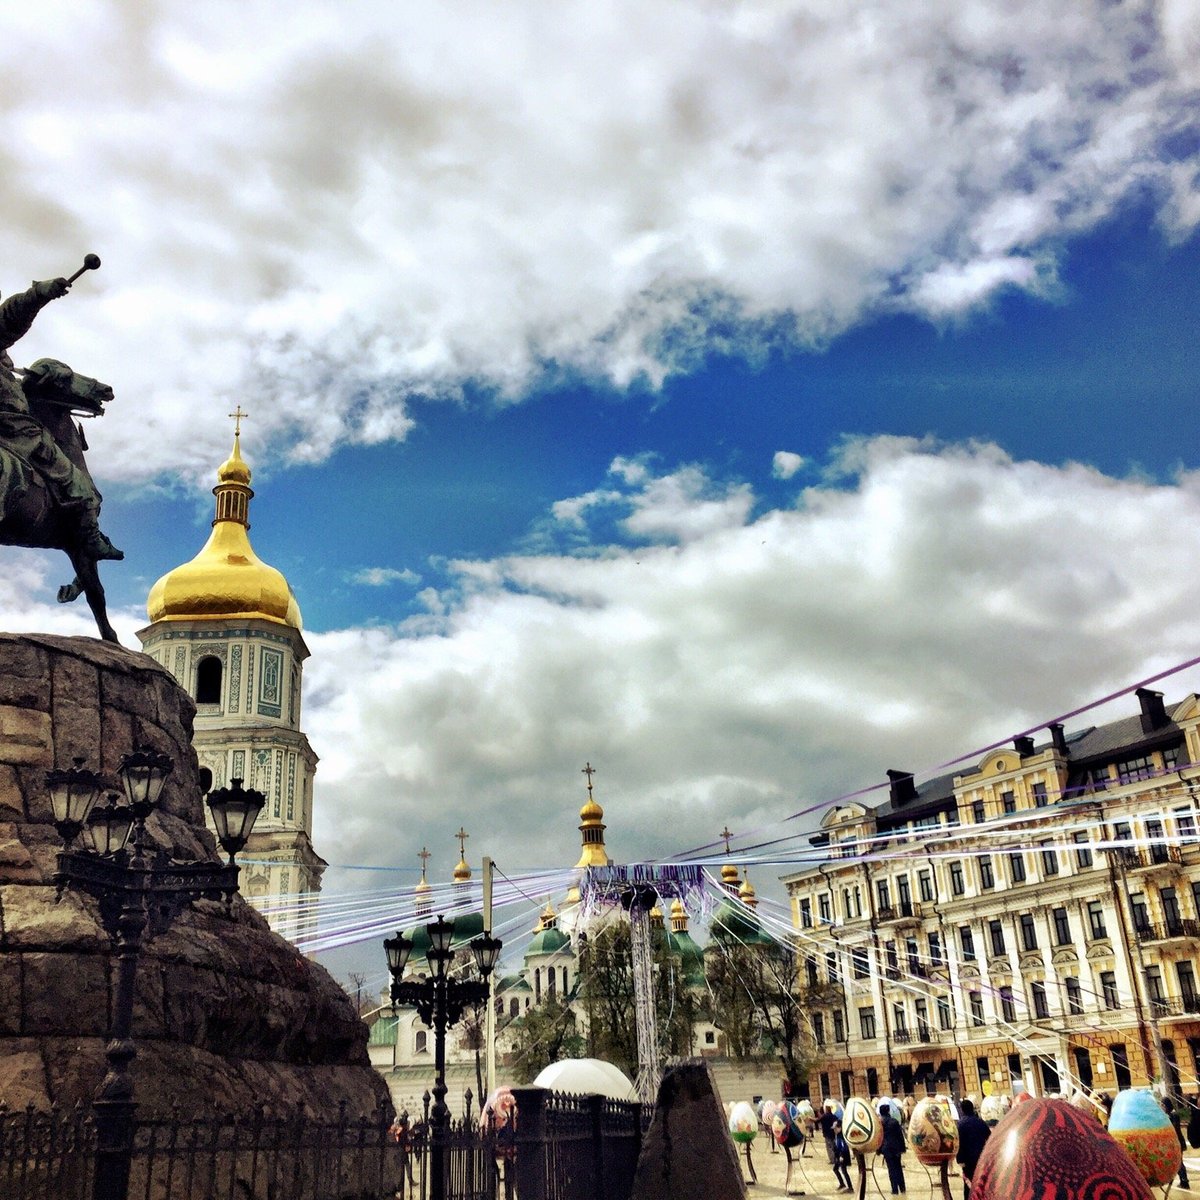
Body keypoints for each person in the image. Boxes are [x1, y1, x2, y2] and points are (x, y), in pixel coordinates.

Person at [0, 276, 121, 560]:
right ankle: (89, 537)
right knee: (72, 478)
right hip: (12, 425)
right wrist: (38, 295)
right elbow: (9, 319)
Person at [956, 1099, 991, 1200]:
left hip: (967, 1160)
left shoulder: (960, 1125)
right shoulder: (980, 1122)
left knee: (968, 1183)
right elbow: (989, 1138)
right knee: (981, 1181)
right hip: (981, 1158)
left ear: (962, 1110)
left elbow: (958, 1143)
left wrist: (960, 1160)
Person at [1163, 1097, 1190, 1190]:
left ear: (1167, 1105)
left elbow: (1175, 1128)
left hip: (1178, 1143)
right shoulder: (1170, 1115)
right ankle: (1183, 1180)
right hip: (1175, 1143)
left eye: (1163, 1105)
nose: (1162, 1107)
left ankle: (1185, 1181)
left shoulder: (1174, 1115)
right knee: (1177, 1162)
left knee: (1179, 1163)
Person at [879, 1104, 907, 1195]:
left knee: (891, 1169)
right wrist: (903, 1148)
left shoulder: (880, 1123)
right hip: (896, 1149)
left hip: (886, 1149)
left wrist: (878, 1150)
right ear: (888, 1111)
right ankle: (902, 1188)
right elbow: (900, 1136)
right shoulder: (894, 1122)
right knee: (898, 1168)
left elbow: (879, 1137)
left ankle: (894, 1189)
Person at [831, 1119, 854, 1193]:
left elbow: (844, 1147)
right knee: (835, 1169)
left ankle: (850, 1188)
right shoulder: (837, 1135)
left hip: (843, 1156)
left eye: (835, 1128)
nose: (834, 1130)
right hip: (838, 1156)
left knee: (844, 1171)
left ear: (840, 1127)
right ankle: (842, 1184)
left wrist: (841, 1156)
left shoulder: (842, 1136)